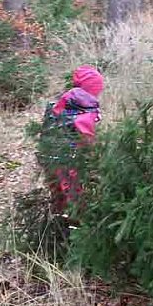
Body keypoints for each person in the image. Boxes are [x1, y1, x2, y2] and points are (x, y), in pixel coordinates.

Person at [41, 65, 105, 213]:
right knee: (74, 199)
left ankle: (57, 224)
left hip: (50, 157)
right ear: (93, 89)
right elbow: (86, 139)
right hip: (69, 161)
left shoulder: (62, 101)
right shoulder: (86, 108)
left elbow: (47, 130)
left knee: (58, 196)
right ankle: (72, 228)